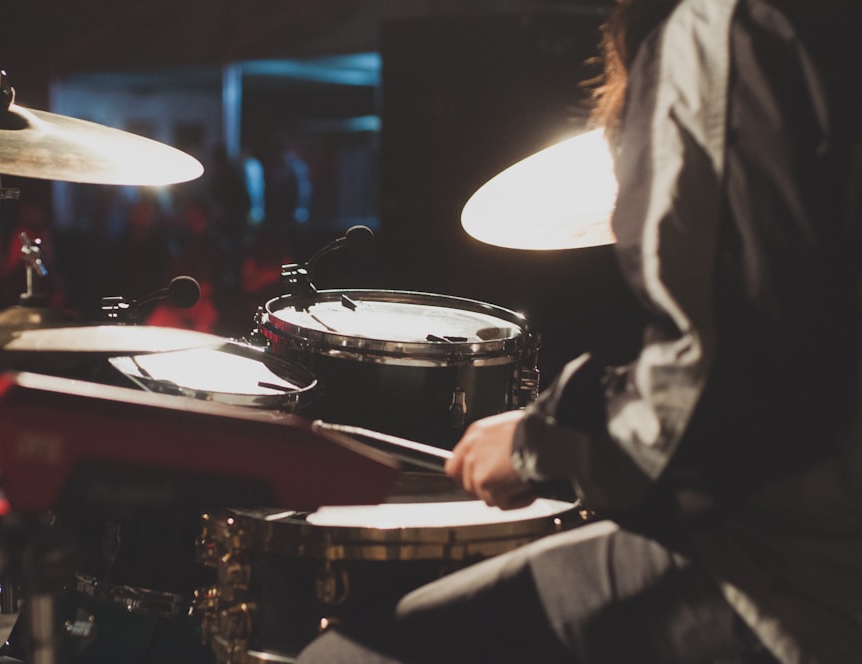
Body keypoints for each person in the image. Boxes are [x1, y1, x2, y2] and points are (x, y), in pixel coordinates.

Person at [296, 0, 862, 662]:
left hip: (801, 583)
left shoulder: (724, 25)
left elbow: (715, 388)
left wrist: (540, 443)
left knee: (344, 657)